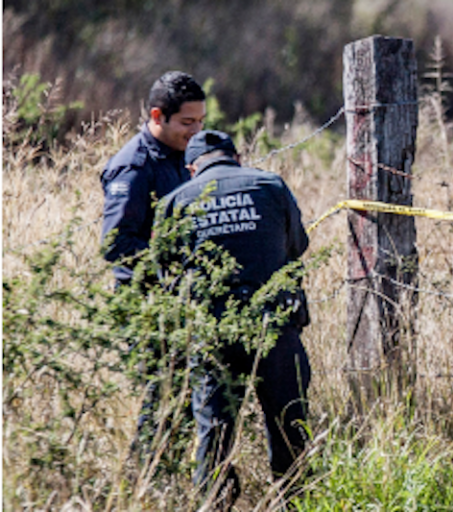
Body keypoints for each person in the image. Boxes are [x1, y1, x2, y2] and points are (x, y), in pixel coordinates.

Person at [156, 130, 312, 506]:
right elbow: (298, 246)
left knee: (214, 434)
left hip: (214, 337)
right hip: (274, 328)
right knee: (290, 428)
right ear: (236, 157)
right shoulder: (271, 185)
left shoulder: (176, 201)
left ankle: (215, 501)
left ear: (192, 168)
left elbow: (168, 275)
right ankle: (294, 501)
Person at [101, 70, 206, 285]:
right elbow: (115, 245)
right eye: (187, 122)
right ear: (157, 116)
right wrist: (176, 264)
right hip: (146, 300)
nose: (197, 131)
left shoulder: (187, 150)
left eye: (200, 121)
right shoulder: (133, 168)